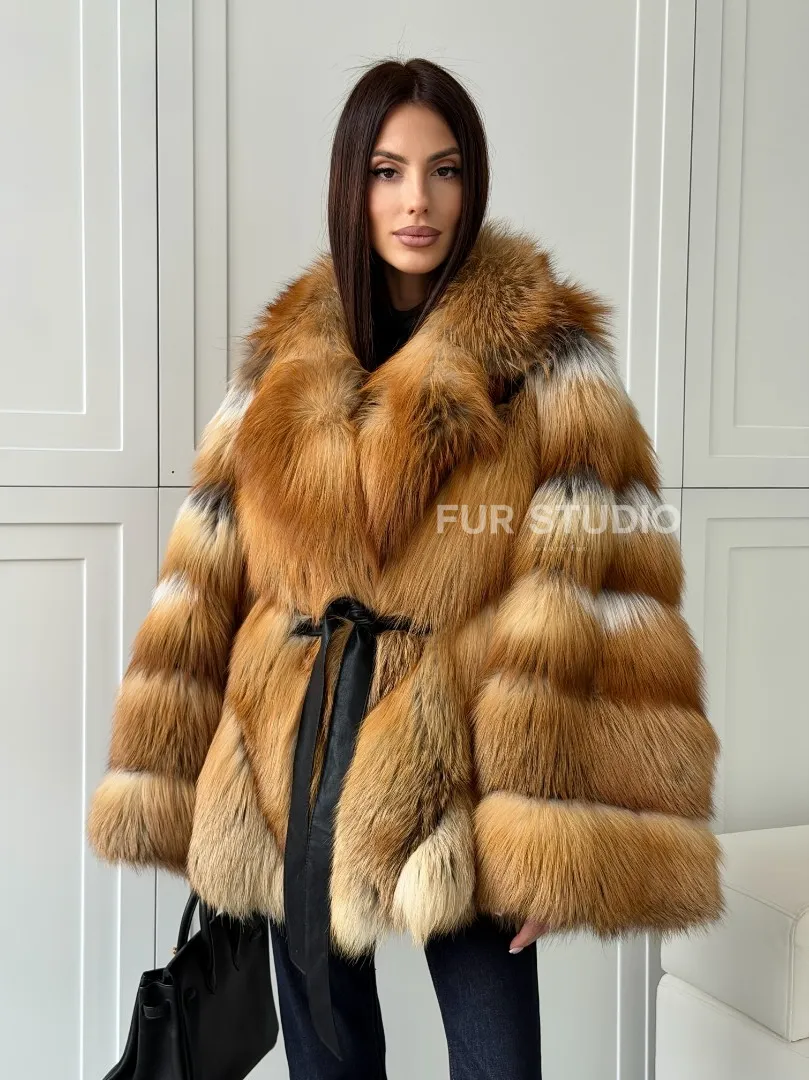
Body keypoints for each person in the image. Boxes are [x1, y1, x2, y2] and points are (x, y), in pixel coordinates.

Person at [86, 57, 724, 1079]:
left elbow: (604, 593)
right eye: (387, 171)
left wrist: (550, 831)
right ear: (353, 184)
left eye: (443, 169)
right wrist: (174, 778)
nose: (416, 200)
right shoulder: (282, 357)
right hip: (291, 760)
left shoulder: (544, 356)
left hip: (458, 765)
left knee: (496, 1063)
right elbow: (203, 575)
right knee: (326, 1066)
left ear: (472, 184)